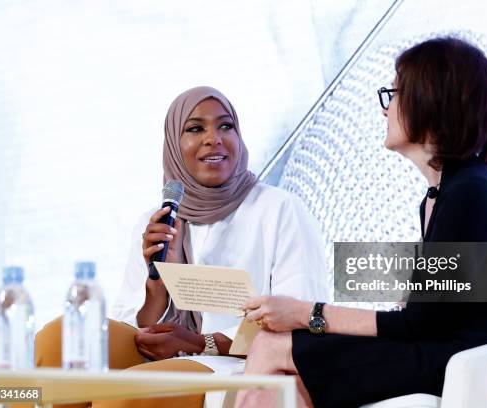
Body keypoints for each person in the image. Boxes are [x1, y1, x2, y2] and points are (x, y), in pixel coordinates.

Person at [235, 37, 487, 408]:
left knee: (271, 347)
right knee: (266, 391)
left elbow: (420, 322)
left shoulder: (470, 191)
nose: (386, 110)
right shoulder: (449, 192)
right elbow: (430, 311)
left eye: (394, 94)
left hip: (468, 359)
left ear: (430, 100)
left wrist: (305, 313)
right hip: (445, 347)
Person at [35, 86, 329, 408]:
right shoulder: (159, 221)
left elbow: (302, 318)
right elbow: (134, 323)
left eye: (225, 125)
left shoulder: (279, 208)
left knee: (129, 391)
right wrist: (158, 281)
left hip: (238, 362)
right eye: (195, 128)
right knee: (59, 342)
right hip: (161, 354)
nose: (214, 138)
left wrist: (201, 341)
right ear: (174, 144)